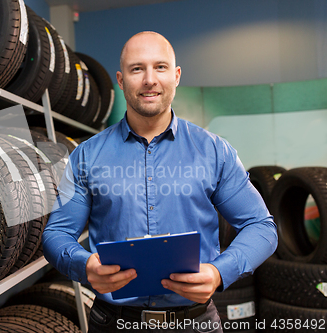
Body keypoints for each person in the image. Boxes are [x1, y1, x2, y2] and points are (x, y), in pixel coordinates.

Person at [42, 31, 278, 332]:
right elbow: (57, 233)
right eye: (137, 69)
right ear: (121, 78)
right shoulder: (86, 156)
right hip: (113, 323)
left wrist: (219, 272)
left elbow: (261, 226)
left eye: (161, 67)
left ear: (176, 76)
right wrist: (85, 266)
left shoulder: (214, 151)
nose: (150, 79)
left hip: (195, 322)